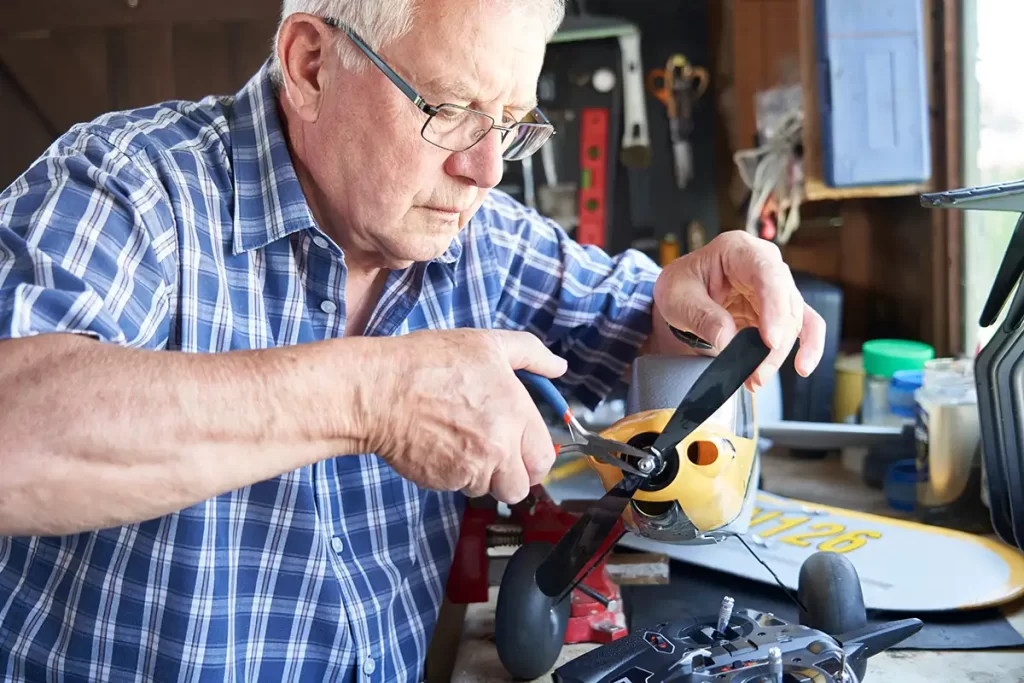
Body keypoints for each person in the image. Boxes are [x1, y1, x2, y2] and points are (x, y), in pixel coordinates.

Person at [0, 0, 825, 680]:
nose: (488, 169)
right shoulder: (131, 188)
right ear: (312, 64)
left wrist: (689, 297)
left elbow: (636, 321)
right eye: (452, 110)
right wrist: (375, 397)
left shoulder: (477, 235)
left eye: (510, 123)